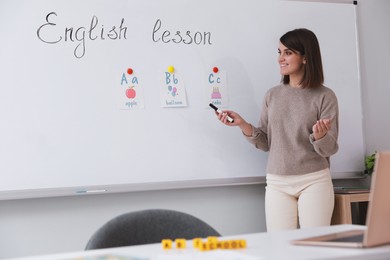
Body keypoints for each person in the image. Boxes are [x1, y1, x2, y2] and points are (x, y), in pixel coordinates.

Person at [215, 28, 339, 231]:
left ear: (306, 57)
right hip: (277, 182)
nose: (280, 58)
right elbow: (265, 143)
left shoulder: (325, 96)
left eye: (288, 53)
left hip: (314, 180)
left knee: (315, 247)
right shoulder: (272, 95)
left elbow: (330, 148)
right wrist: (242, 124)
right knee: (280, 247)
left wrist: (320, 137)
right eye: (279, 52)